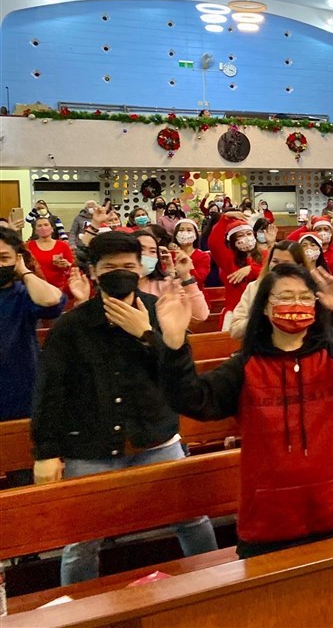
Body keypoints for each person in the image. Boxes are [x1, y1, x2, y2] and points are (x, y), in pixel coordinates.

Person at [154, 263, 333, 558]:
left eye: (305, 297)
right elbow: (191, 399)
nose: (296, 305)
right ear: (266, 307)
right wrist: (174, 342)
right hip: (268, 523)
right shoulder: (244, 366)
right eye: (285, 297)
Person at [32, 232, 218, 583]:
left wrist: (147, 335)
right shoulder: (72, 326)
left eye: (129, 266)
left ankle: (214, 585)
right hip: (90, 444)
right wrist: (46, 452)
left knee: (192, 518)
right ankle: (79, 610)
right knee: (82, 540)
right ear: (94, 272)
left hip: (156, 437)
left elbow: (182, 377)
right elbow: (50, 390)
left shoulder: (160, 309)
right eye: (111, 267)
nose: (121, 273)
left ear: (141, 268)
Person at [1, 228, 65, 421]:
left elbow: (52, 301)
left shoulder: (24, 292)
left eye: (4, 258)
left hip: (18, 389)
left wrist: (24, 272)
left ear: (17, 259)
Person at [229, 241, 311, 339]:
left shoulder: (310, 290)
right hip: (260, 347)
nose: (278, 267)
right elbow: (235, 330)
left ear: (300, 266)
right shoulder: (254, 287)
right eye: (275, 261)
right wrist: (260, 316)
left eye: (286, 263)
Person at [133, 229, 209, 322]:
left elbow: (200, 315)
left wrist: (186, 276)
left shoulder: (165, 285)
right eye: (140, 249)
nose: (145, 254)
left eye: (152, 251)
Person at [208, 214, 263, 327]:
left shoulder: (263, 255)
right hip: (235, 311)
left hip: (260, 311)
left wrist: (252, 269)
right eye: (240, 235)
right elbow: (214, 243)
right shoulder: (228, 259)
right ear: (233, 241)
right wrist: (224, 218)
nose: (246, 238)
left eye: (249, 234)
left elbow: (273, 273)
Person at [26, 216, 76, 292]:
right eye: (39, 226)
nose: (43, 228)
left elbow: (72, 267)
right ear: (35, 231)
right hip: (35, 288)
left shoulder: (63, 245)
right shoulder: (28, 246)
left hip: (59, 288)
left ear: (52, 228)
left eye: (46, 225)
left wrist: (67, 265)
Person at [172, 219, 211, 292]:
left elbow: (199, 280)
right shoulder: (170, 255)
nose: (185, 233)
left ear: (196, 234)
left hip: (196, 296)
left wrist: (188, 263)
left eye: (189, 230)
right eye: (181, 230)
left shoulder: (203, 256)